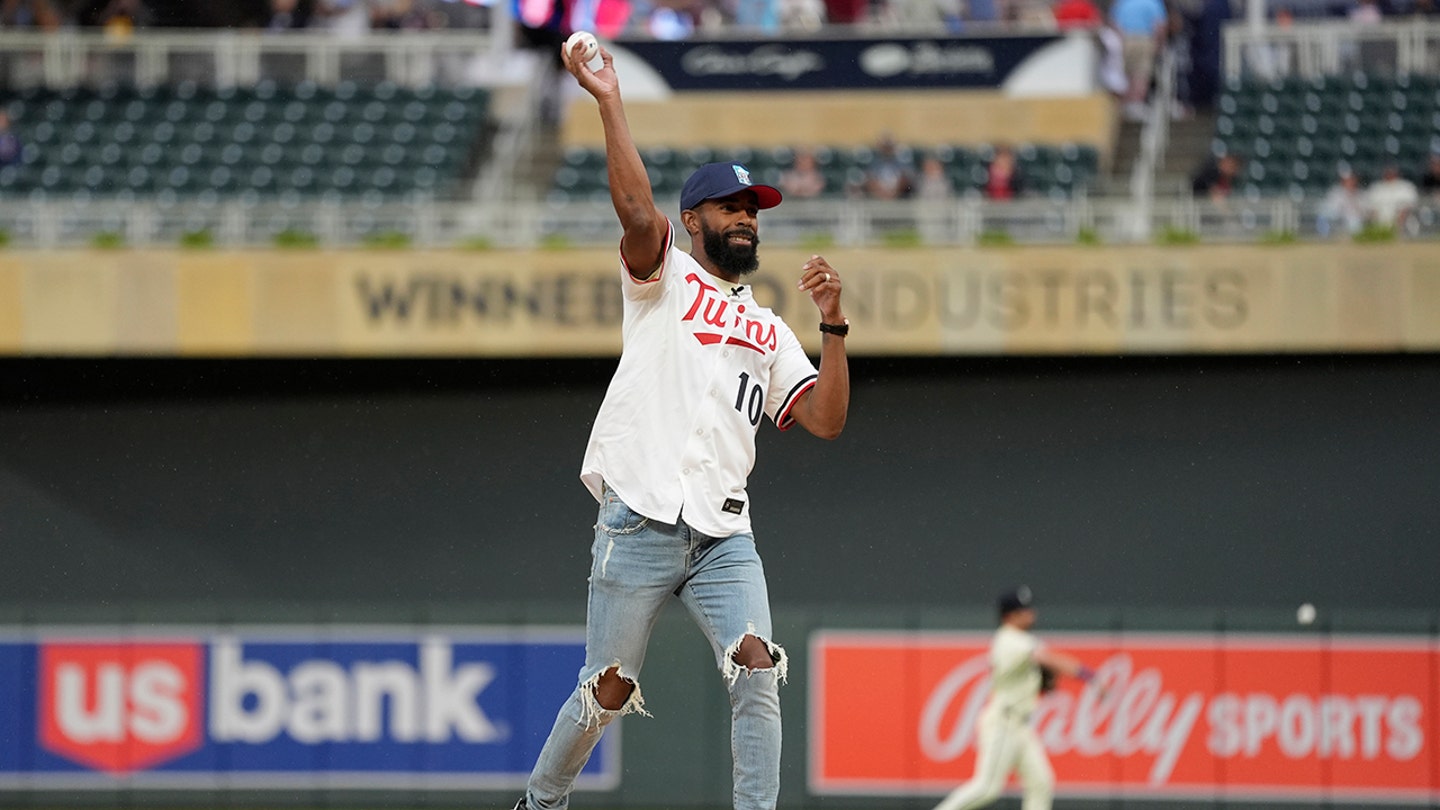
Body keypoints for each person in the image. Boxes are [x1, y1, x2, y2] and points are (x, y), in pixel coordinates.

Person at [515, 36, 852, 810]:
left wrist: (833, 328)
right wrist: (608, 100)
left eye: (754, 210)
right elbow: (635, 208)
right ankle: (540, 801)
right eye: (731, 208)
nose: (747, 219)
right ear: (693, 219)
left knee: (758, 664)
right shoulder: (662, 281)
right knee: (605, 690)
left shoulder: (771, 328)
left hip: (723, 533)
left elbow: (827, 420)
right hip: (637, 517)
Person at [932, 586, 1099, 810]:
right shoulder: (1009, 640)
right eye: (1023, 611)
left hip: (1020, 726)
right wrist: (1089, 675)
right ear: (1009, 616)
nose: (1031, 614)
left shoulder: (1023, 640)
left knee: (1040, 783)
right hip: (1004, 722)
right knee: (987, 788)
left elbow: (1042, 667)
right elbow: (1047, 659)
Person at [1364, 163, 1418, 230]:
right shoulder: (1376, 188)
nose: (1390, 173)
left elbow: (1409, 207)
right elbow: (1371, 210)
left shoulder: (1406, 187)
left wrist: (1398, 223)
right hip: (1380, 223)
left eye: (1392, 171)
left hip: (1404, 225)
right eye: (1388, 171)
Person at [1318, 168, 1366, 237]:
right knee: (1323, 216)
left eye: (1352, 180)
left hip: (1353, 220)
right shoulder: (1336, 192)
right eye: (1348, 181)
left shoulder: (1360, 194)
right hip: (1337, 219)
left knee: (1354, 221)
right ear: (1343, 182)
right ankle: (1325, 237)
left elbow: (1363, 210)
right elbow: (1331, 209)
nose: (1350, 183)